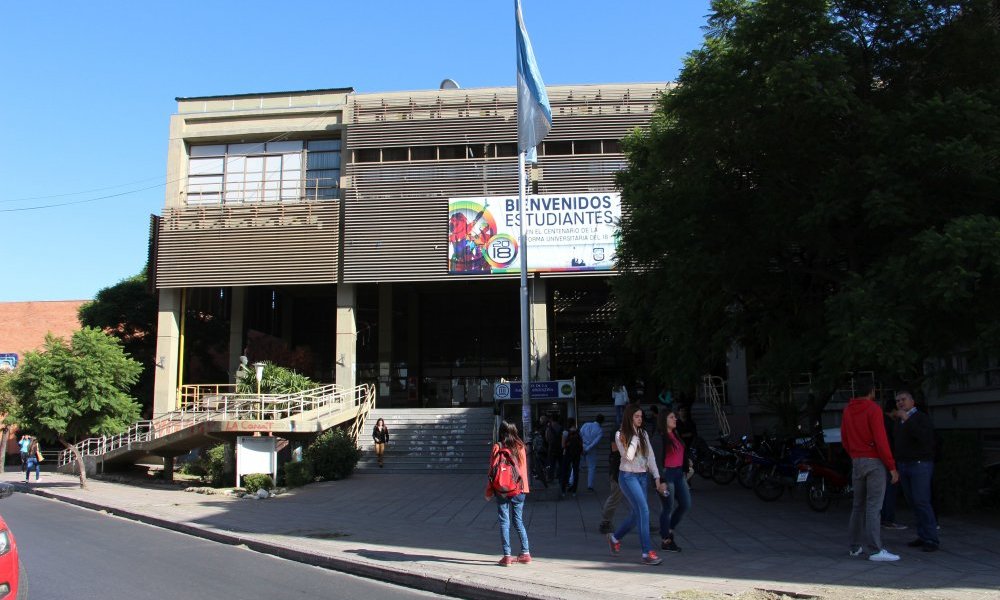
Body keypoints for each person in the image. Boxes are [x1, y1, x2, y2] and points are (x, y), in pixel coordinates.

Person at [842, 384, 900, 562]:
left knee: (857, 505)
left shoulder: (848, 410)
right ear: (872, 391)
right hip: (874, 461)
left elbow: (844, 437)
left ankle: (854, 546)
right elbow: (880, 438)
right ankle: (875, 549)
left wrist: (854, 454)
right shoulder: (873, 409)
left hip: (857, 460)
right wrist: (891, 466)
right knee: (874, 506)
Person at [607, 405, 666, 566]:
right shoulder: (621, 435)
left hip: (642, 477)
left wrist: (656, 476)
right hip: (627, 477)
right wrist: (634, 437)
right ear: (629, 418)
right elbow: (629, 456)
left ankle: (614, 538)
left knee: (636, 514)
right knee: (644, 510)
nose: (640, 419)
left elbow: (651, 456)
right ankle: (647, 552)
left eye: (641, 416)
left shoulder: (644, 434)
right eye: (637, 416)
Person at [894, 391, 940, 552]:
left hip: (920, 464)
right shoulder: (899, 421)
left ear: (912, 401)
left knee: (922, 500)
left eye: (903, 399)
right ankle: (923, 534)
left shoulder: (920, 418)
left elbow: (925, 438)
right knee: (913, 502)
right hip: (904, 464)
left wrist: (907, 420)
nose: (900, 403)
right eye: (898, 400)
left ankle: (932, 538)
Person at [485, 421, 531, 566]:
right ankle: (525, 553)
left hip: (502, 490)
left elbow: (492, 472)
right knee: (518, 521)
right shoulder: (521, 446)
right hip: (520, 489)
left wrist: (489, 491)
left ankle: (507, 556)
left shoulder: (498, 447)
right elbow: (523, 470)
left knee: (504, 521)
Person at [658, 410, 692, 552]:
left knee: (685, 504)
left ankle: (668, 529)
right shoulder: (660, 438)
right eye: (671, 417)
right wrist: (660, 480)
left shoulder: (676, 434)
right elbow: (656, 460)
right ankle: (666, 540)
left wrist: (687, 463)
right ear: (663, 420)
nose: (675, 419)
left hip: (679, 474)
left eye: (675, 417)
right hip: (667, 475)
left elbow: (681, 452)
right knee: (668, 507)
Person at [881, 402, 907, 530]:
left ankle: (884, 517)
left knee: (885, 490)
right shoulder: (890, 424)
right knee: (890, 489)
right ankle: (888, 518)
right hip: (890, 458)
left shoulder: (880, 421)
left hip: (882, 459)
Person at [598, 429, 623, 534]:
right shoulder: (617, 431)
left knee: (639, 498)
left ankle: (644, 521)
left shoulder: (636, 431)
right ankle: (605, 522)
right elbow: (614, 448)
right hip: (618, 469)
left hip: (632, 470)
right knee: (615, 495)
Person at [579, 414, 605, 491]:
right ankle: (590, 485)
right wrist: (587, 449)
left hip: (582, 447)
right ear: (602, 422)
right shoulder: (600, 430)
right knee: (591, 467)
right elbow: (595, 442)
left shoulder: (586, 424)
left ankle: (571, 481)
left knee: (576, 464)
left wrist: (582, 446)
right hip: (591, 450)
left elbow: (580, 435)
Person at [560, 418, 583, 497]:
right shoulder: (578, 432)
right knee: (576, 472)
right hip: (576, 454)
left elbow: (563, 445)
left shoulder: (565, 432)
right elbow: (581, 443)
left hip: (567, 454)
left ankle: (563, 491)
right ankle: (574, 491)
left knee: (565, 471)